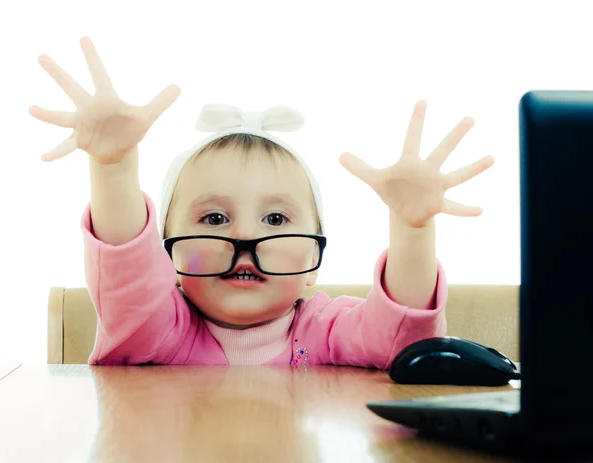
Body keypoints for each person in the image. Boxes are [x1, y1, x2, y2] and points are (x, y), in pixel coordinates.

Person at [29, 38, 494, 367]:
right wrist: (114, 170)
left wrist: (412, 230)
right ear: (166, 256)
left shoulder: (326, 330)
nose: (246, 236)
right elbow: (128, 285)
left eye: (275, 218)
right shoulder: (161, 330)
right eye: (214, 218)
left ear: (314, 261)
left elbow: (399, 342)